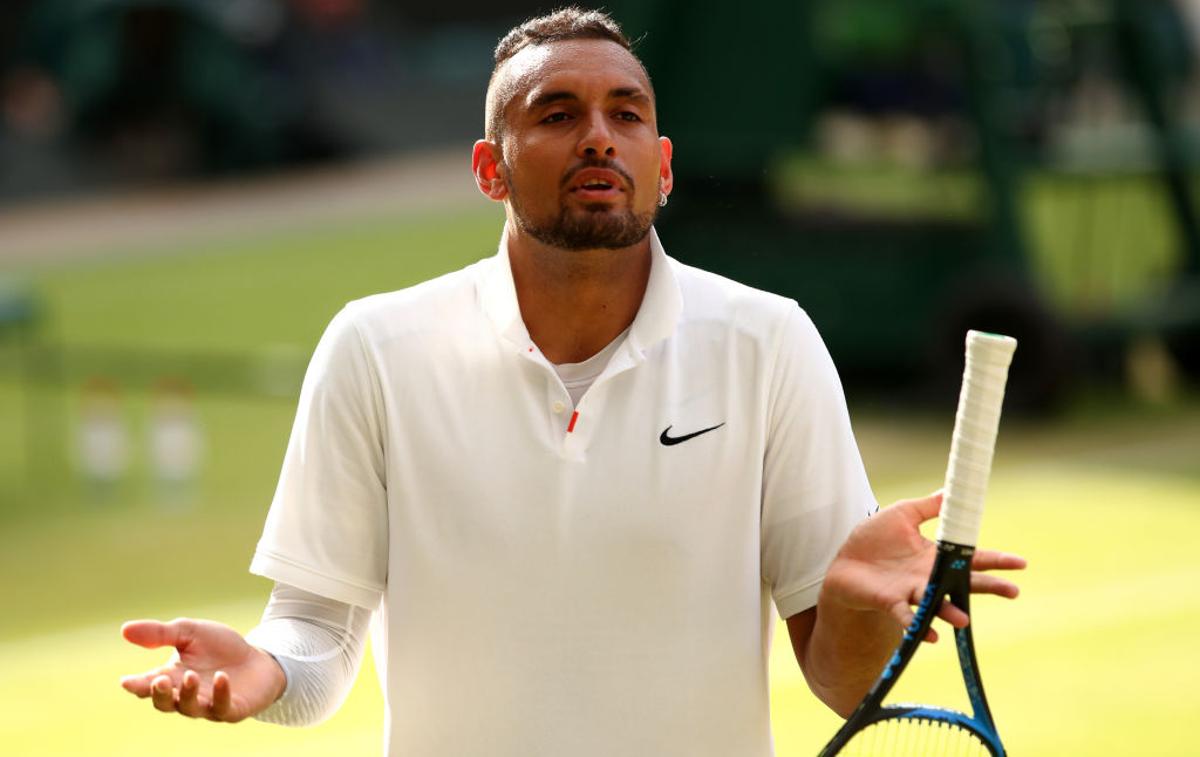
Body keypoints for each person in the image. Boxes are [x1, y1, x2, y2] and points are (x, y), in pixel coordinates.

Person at [119, 8, 1025, 755]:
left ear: (661, 166)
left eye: (626, 114)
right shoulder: (373, 347)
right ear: (489, 169)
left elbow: (845, 686)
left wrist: (858, 611)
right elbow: (315, 642)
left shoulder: (770, 341)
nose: (599, 136)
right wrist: (263, 672)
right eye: (556, 114)